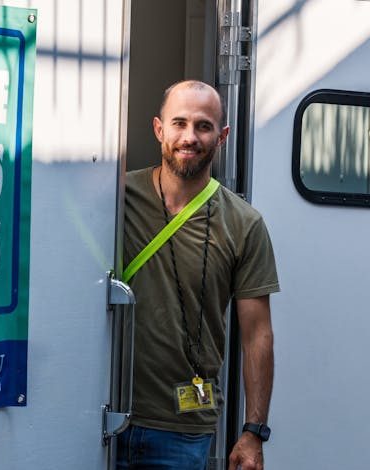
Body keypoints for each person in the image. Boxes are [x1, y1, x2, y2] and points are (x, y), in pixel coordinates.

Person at [119, 80, 279, 470]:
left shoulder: (244, 224)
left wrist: (253, 432)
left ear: (222, 136)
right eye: (179, 123)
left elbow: (257, 333)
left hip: (181, 430)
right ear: (159, 129)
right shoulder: (114, 197)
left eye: (203, 126)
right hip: (98, 415)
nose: (189, 137)